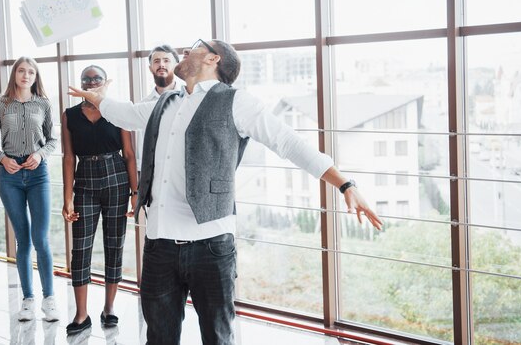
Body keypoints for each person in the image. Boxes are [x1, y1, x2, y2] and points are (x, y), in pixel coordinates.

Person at [68, 39, 383, 345]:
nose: (187, 50)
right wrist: (98, 98)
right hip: (159, 245)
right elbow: (125, 114)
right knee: (159, 338)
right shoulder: (166, 102)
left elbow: (287, 142)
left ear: (212, 59)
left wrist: (345, 184)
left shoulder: (237, 101)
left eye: (197, 46)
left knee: (218, 338)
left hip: (210, 245)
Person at [61, 65, 138, 335]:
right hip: (85, 180)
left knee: (114, 245)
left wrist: (135, 193)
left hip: (116, 177)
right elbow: (69, 157)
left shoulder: (116, 111)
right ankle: (82, 315)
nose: (91, 82)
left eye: (97, 78)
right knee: (80, 249)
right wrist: (67, 197)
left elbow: (129, 154)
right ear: (80, 84)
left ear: (106, 82)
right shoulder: (69, 115)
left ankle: (109, 308)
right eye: (86, 79)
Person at [0, 56, 59, 322]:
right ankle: (28, 300)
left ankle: (49, 300)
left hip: (38, 174)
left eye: (31, 72)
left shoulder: (44, 104)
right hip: (10, 177)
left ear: (36, 76)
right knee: (23, 240)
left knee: (41, 239)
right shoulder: (0, 104)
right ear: (14, 74)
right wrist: (3, 159)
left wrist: (39, 155)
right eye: (22, 71)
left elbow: (53, 140)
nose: (26, 75)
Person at [135, 44, 180, 172]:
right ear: (151, 68)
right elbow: (142, 143)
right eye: (156, 61)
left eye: (166, 60)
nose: (161, 64)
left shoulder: (188, 99)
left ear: (175, 66)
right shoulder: (143, 104)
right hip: (153, 173)